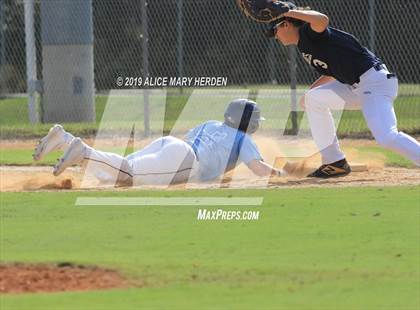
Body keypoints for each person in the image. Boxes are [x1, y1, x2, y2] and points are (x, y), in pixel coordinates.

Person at [265, 1, 420, 178]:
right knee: (314, 99)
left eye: (274, 30)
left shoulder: (309, 33)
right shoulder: (305, 45)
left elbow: (322, 19)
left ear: (286, 23)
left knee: (386, 137)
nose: (275, 36)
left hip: (374, 84)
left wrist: (290, 12)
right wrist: (309, 94)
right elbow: (331, 75)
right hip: (355, 87)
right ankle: (335, 162)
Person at [33, 99, 285, 186]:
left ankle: (65, 141)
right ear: (247, 122)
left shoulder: (211, 124)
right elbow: (260, 170)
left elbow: (191, 143)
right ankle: (82, 151)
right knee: (128, 174)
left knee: (116, 175)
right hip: (186, 161)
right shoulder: (243, 139)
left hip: (170, 144)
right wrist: (282, 174)